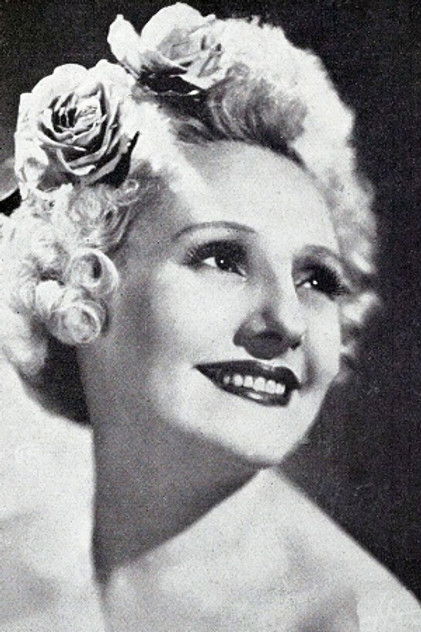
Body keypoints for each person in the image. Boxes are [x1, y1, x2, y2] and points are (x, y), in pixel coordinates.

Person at [0, 3, 419, 630]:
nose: (288, 321)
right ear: (80, 285)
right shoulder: (17, 567)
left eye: (317, 279)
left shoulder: (366, 621)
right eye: (222, 258)